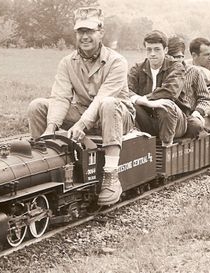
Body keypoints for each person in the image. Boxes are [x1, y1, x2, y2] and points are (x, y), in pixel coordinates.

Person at [27, 7, 135, 206]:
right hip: (84, 111)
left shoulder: (117, 62)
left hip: (115, 115)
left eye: (90, 31)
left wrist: (81, 125)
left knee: (109, 104)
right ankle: (42, 162)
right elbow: (60, 96)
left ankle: (111, 175)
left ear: (101, 33)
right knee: (38, 106)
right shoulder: (67, 62)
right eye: (80, 32)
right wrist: (51, 127)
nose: (85, 37)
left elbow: (103, 98)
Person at [128, 30, 187, 146]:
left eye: (157, 49)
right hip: (148, 119)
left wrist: (144, 99)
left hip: (175, 121)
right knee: (127, 105)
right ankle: (136, 144)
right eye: (149, 49)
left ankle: (166, 146)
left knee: (164, 104)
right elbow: (125, 90)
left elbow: (170, 92)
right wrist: (145, 102)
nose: (152, 53)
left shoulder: (176, 67)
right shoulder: (137, 68)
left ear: (165, 50)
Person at [166, 36, 210, 138]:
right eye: (171, 56)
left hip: (187, 116)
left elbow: (205, 98)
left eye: (178, 56)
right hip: (165, 115)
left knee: (196, 125)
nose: (175, 60)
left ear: (183, 56)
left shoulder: (194, 72)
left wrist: (198, 112)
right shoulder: (162, 72)